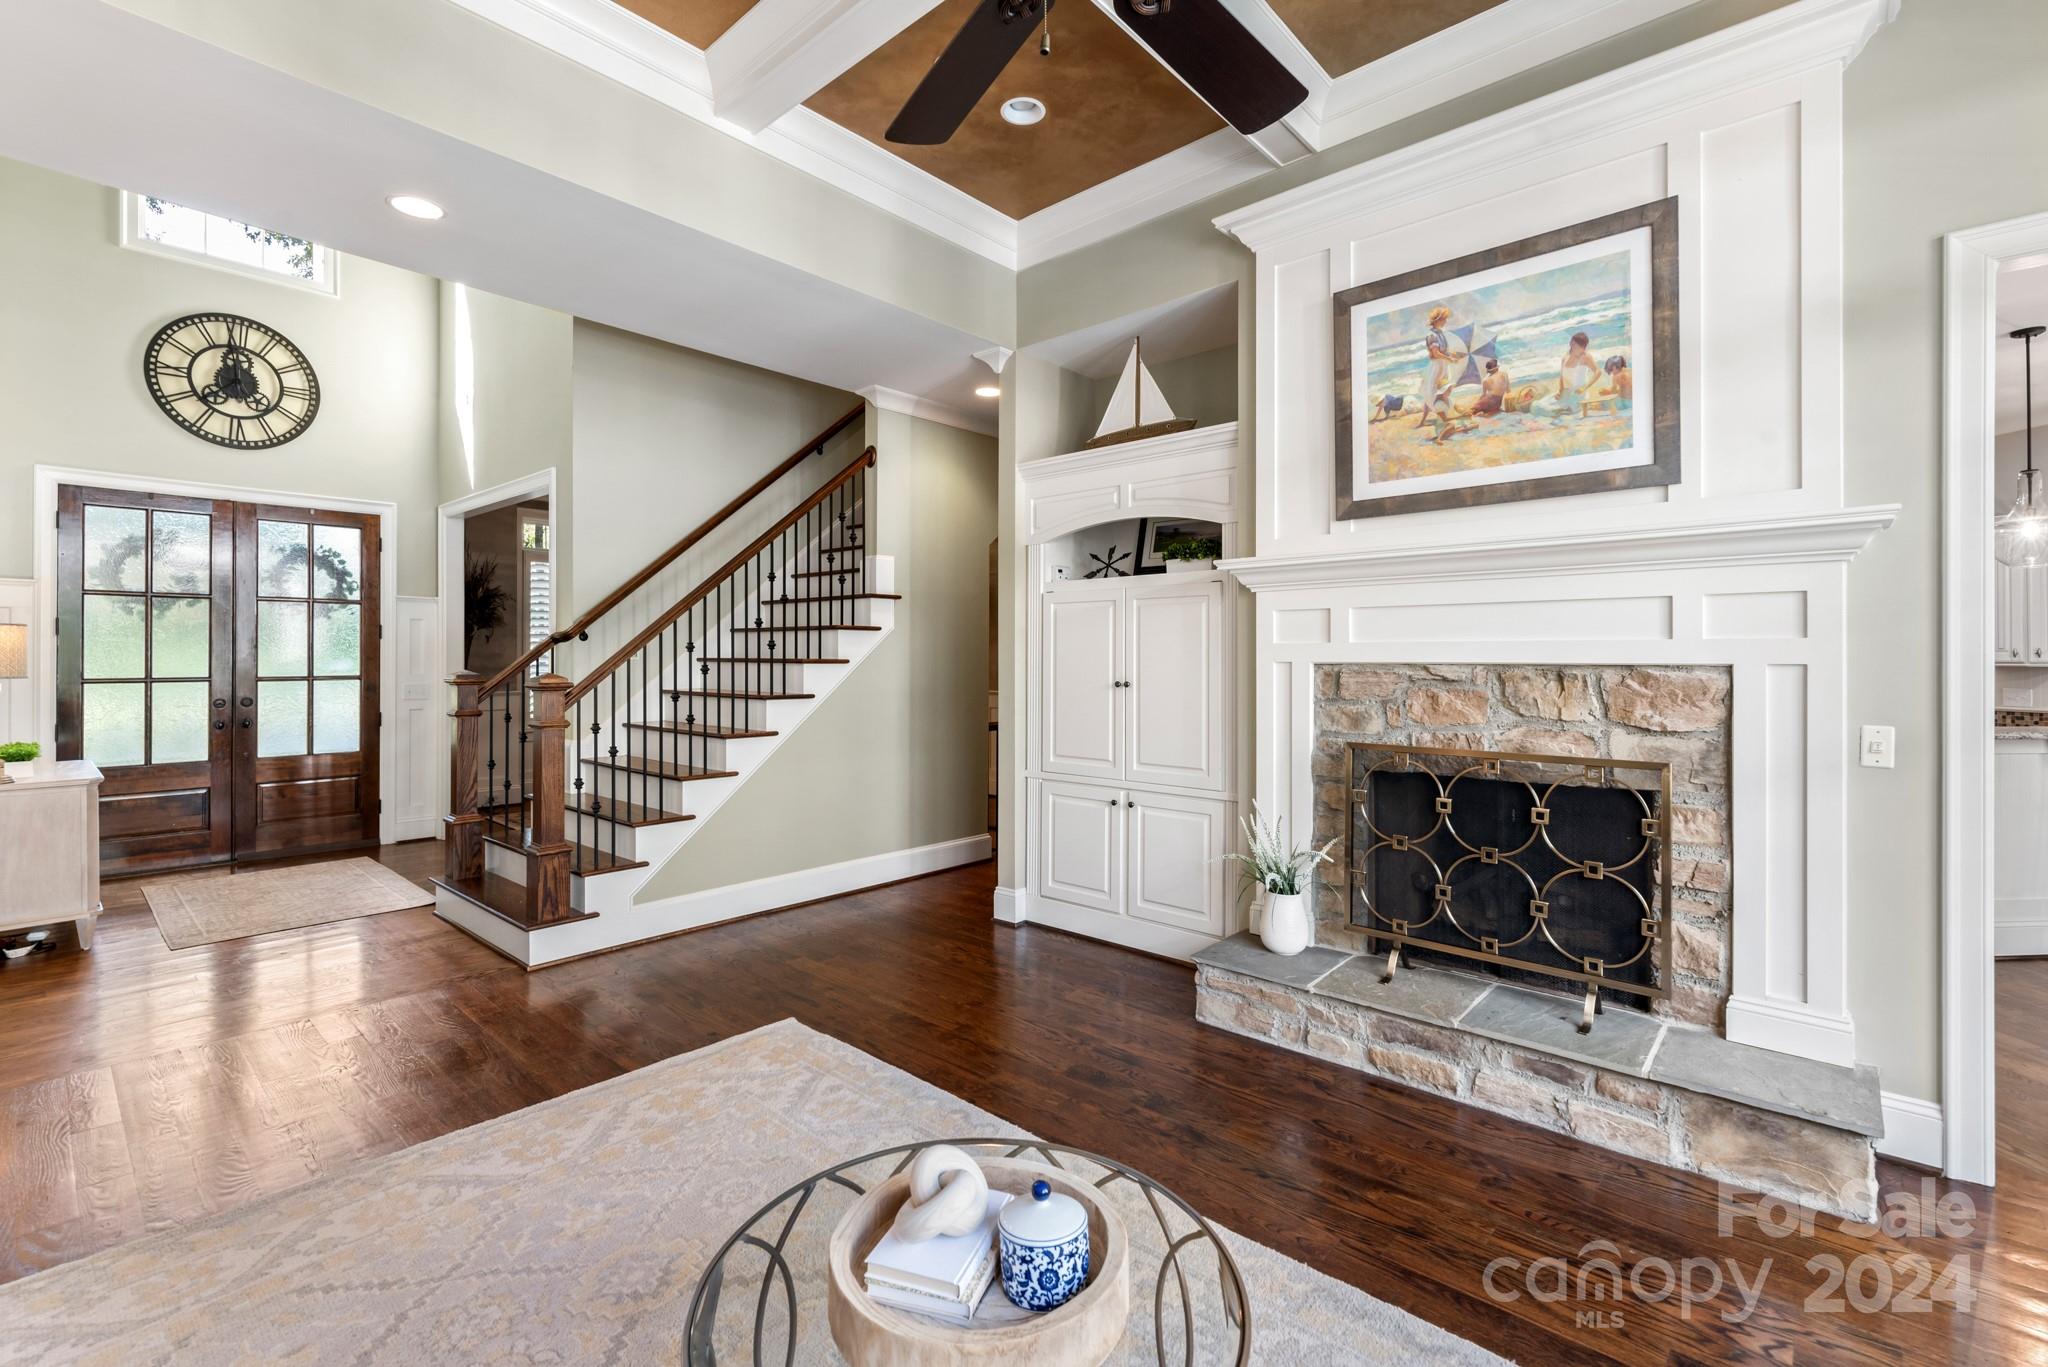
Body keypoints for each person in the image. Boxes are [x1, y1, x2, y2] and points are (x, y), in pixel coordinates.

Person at [1418, 305, 1456, 424]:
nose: (1446, 321)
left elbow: (1442, 351)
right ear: (1437, 320)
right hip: (1437, 367)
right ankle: (1442, 417)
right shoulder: (1432, 335)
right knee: (1437, 391)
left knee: (1435, 391)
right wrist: (1448, 357)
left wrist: (1451, 355)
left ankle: (1425, 420)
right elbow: (1435, 353)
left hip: (1443, 365)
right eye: (1444, 318)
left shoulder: (1440, 333)